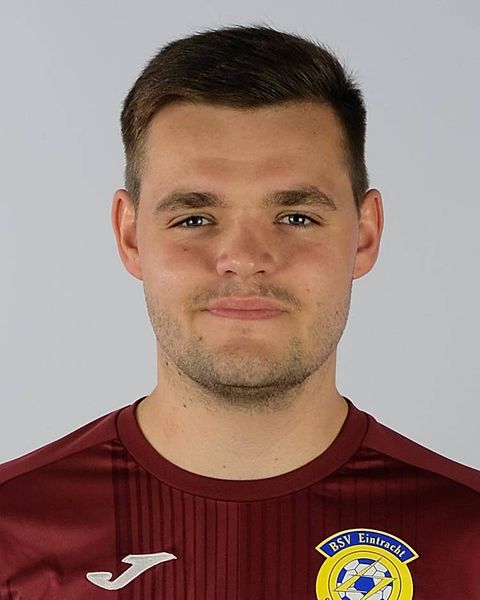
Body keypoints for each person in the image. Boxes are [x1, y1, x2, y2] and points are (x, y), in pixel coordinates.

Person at [0, 23, 478, 600]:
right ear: (130, 237)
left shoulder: (469, 540)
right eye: (194, 218)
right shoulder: (11, 536)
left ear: (365, 235)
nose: (246, 259)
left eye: (297, 217)